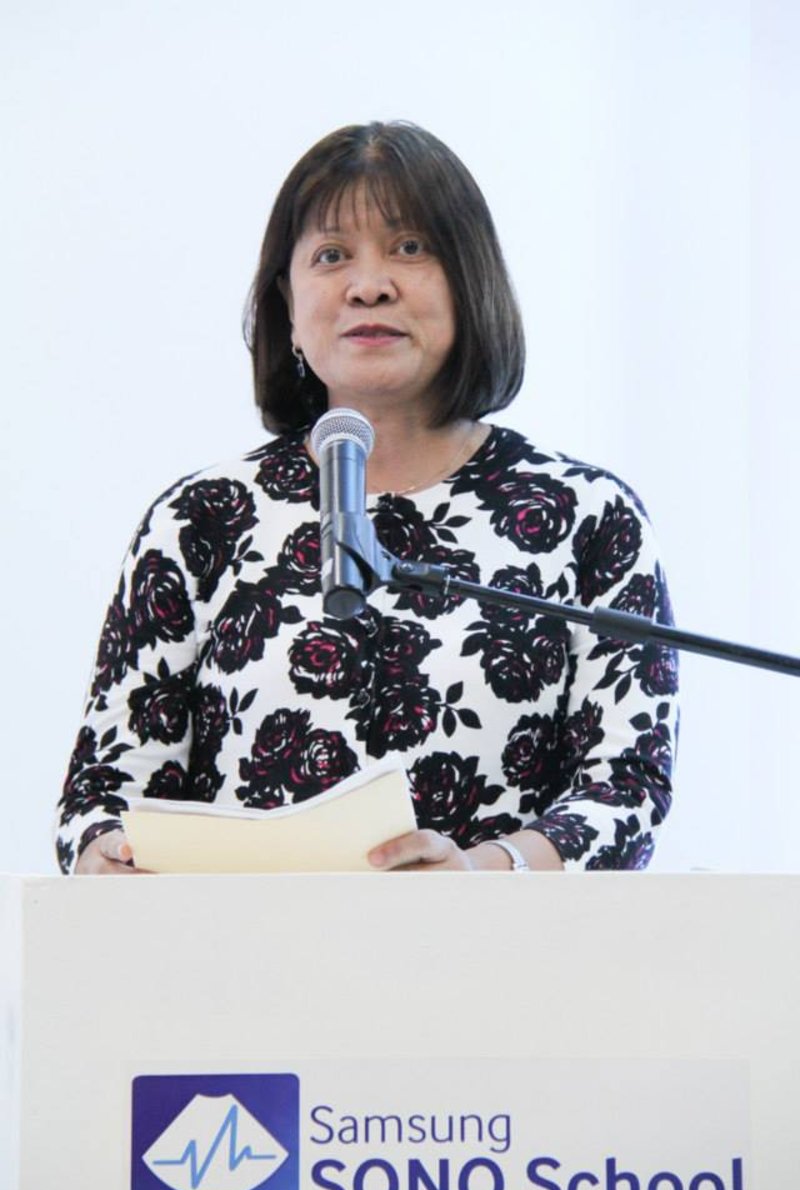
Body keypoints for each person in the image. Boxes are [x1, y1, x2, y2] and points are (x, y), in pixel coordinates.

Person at [56, 121, 678, 876]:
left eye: (410, 247)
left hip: (499, 944)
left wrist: (485, 872)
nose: (370, 284)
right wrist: (105, 854)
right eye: (331, 255)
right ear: (289, 305)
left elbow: (626, 787)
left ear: (471, 281)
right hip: (241, 946)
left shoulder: (588, 517)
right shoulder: (201, 518)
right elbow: (106, 789)